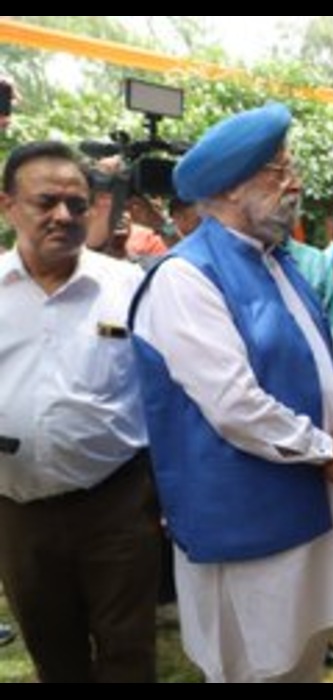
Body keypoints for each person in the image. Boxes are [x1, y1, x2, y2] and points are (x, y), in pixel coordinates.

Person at [130, 103, 333, 683]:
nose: (296, 183)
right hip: (246, 533)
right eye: (277, 170)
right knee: (254, 668)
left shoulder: (280, 263)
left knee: (301, 662)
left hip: (309, 509)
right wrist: (328, 449)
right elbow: (236, 406)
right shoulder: (184, 277)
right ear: (230, 189)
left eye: (291, 167)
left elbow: (331, 352)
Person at [0, 141, 160, 682]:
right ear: (8, 206)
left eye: (78, 203)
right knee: (55, 656)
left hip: (115, 506)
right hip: (19, 514)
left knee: (127, 655)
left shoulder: (128, 287)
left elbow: (162, 390)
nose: (64, 216)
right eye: (46, 202)